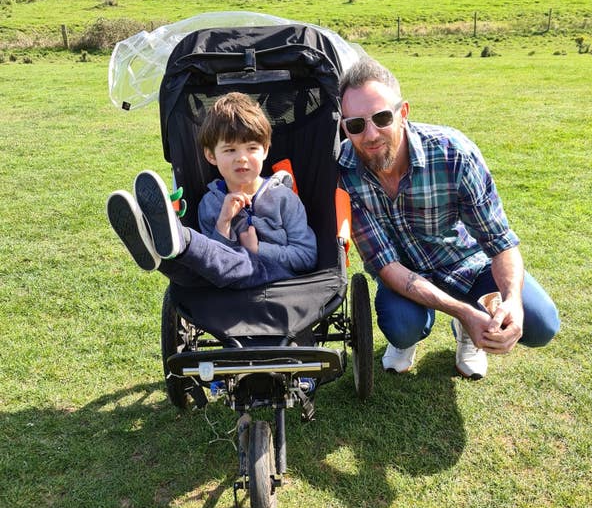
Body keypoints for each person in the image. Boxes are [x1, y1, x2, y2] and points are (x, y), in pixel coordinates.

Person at [338, 57, 559, 379]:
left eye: (382, 118)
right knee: (401, 326)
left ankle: (469, 330)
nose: (371, 134)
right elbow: (385, 264)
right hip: (404, 272)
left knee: (541, 324)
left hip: (467, 262)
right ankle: (418, 336)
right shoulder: (343, 171)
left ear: (403, 112)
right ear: (344, 126)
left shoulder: (454, 152)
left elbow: (499, 241)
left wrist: (512, 301)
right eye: (356, 124)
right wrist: (462, 309)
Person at [106, 92, 317, 289]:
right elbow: (213, 262)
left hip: (277, 283)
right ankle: (158, 251)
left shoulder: (284, 198)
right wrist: (223, 222)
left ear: (265, 150)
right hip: (224, 290)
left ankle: (180, 239)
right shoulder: (211, 203)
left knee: (235, 264)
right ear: (211, 156)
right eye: (230, 150)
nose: (242, 157)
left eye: (251, 148)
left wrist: (258, 250)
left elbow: (307, 256)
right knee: (194, 273)